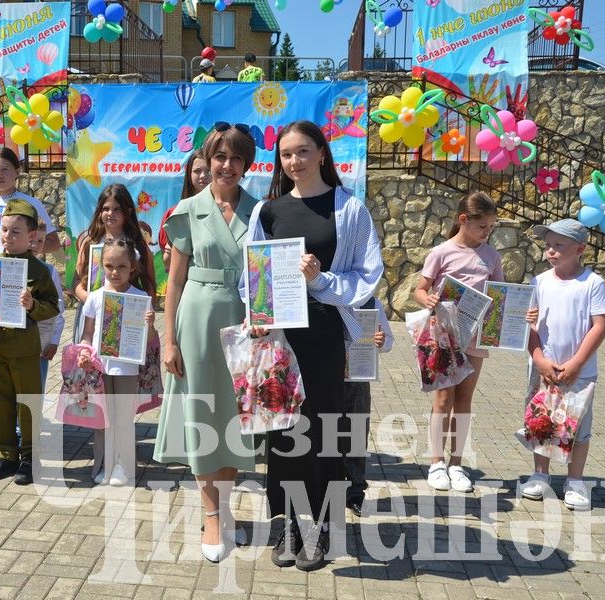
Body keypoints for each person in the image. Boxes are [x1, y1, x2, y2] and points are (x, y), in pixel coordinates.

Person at [245, 120, 383, 571]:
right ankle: (284, 523)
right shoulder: (268, 211)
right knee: (281, 429)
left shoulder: (349, 209)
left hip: (325, 333)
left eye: (303, 152)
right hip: (281, 336)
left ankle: (323, 527)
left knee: (324, 430)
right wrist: (259, 316)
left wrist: (320, 279)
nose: (294, 161)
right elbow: (252, 277)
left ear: (322, 153)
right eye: (286, 154)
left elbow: (368, 275)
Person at [153, 123, 260, 564]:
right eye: (220, 157)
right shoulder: (188, 210)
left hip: (243, 322)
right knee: (200, 407)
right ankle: (210, 514)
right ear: (208, 161)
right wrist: (168, 340)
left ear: (246, 163)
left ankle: (227, 503)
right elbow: (173, 282)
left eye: (236, 158)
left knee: (234, 410)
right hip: (196, 318)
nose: (227, 166)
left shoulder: (260, 211)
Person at [414, 192, 506, 494]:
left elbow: (499, 293)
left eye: (491, 227)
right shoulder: (441, 252)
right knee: (443, 400)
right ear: (463, 220)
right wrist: (427, 298)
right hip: (445, 334)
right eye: (483, 226)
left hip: (476, 336)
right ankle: (436, 462)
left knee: (465, 400)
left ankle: (457, 463)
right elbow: (420, 288)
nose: (487, 232)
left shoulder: (491, 256)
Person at [520, 219, 605, 511]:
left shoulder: (592, 283)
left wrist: (576, 363)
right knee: (541, 421)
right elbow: (530, 327)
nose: (551, 251)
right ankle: (540, 475)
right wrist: (539, 360)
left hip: (578, 372)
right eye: (548, 245)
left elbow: (599, 325)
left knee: (578, 424)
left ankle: (574, 480)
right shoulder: (539, 282)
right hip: (544, 367)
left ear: (579, 249)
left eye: (559, 245)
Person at [0, 200, 60, 486]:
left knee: (27, 403)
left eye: (15, 232)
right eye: (4, 231)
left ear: (32, 237)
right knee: (2, 401)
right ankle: (5, 454)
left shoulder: (40, 271)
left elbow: (52, 306)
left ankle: (29, 456)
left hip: (25, 349)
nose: (7, 237)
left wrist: (32, 304)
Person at [78, 238, 153, 486]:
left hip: (127, 368)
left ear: (132, 266)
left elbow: (150, 340)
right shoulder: (95, 297)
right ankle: (103, 465)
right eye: (109, 265)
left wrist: (150, 324)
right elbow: (87, 333)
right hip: (99, 368)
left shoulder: (140, 298)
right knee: (103, 419)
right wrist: (85, 352)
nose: (114, 272)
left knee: (122, 417)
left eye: (121, 266)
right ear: (101, 265)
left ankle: (123, 466)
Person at [73, 184, 156, 323]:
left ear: (128, 212)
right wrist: (94, 301)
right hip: (92, 316)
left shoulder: (138, 244)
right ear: (99, 212)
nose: (110, 213)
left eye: (117, 209)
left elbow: (150, 286)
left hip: (127, 316)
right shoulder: (90, 242)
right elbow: (76, 281)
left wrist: (147, 316)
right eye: (105, 209)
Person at [343, 298, 392, 517]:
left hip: (358, 375)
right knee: (324, 429)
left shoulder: (371, 304)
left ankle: (354, 491)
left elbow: (388, 340)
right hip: (325, 373)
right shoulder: (323, 297)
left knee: (356, 430)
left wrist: (382, 342)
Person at [0, 147, 60, 259]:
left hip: (21, 273)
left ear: (17, 172)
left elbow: (54, 243)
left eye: (5, 169)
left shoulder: (31, 204)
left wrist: (24, 249)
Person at [159, 150, 210, 272]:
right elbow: (166, 261)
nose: (203, 175)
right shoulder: (173, 213)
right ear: (189, 174)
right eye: (197, 171)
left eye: (208, 170)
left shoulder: (225, 211)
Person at [33, 221, 65, 397]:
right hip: (12, 342)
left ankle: (30, 422)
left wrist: (54, 339)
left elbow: (58, 305)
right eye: (31, 239)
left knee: (36, 385)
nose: (35, 246)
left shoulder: (48, 270)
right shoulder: (7, 265)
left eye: (40, 241)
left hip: (41, 340)